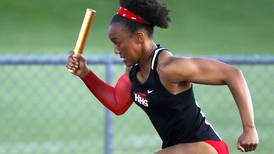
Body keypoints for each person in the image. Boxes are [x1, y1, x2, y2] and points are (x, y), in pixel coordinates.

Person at [66, 0, 259, 153]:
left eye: (118, 42)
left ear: (139, 38)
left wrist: (249, 129)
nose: (116, 50)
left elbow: (232, 74)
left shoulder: (169, 68)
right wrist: (85, 74)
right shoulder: (134, 73)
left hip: (206, 147)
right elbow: (117, 103)